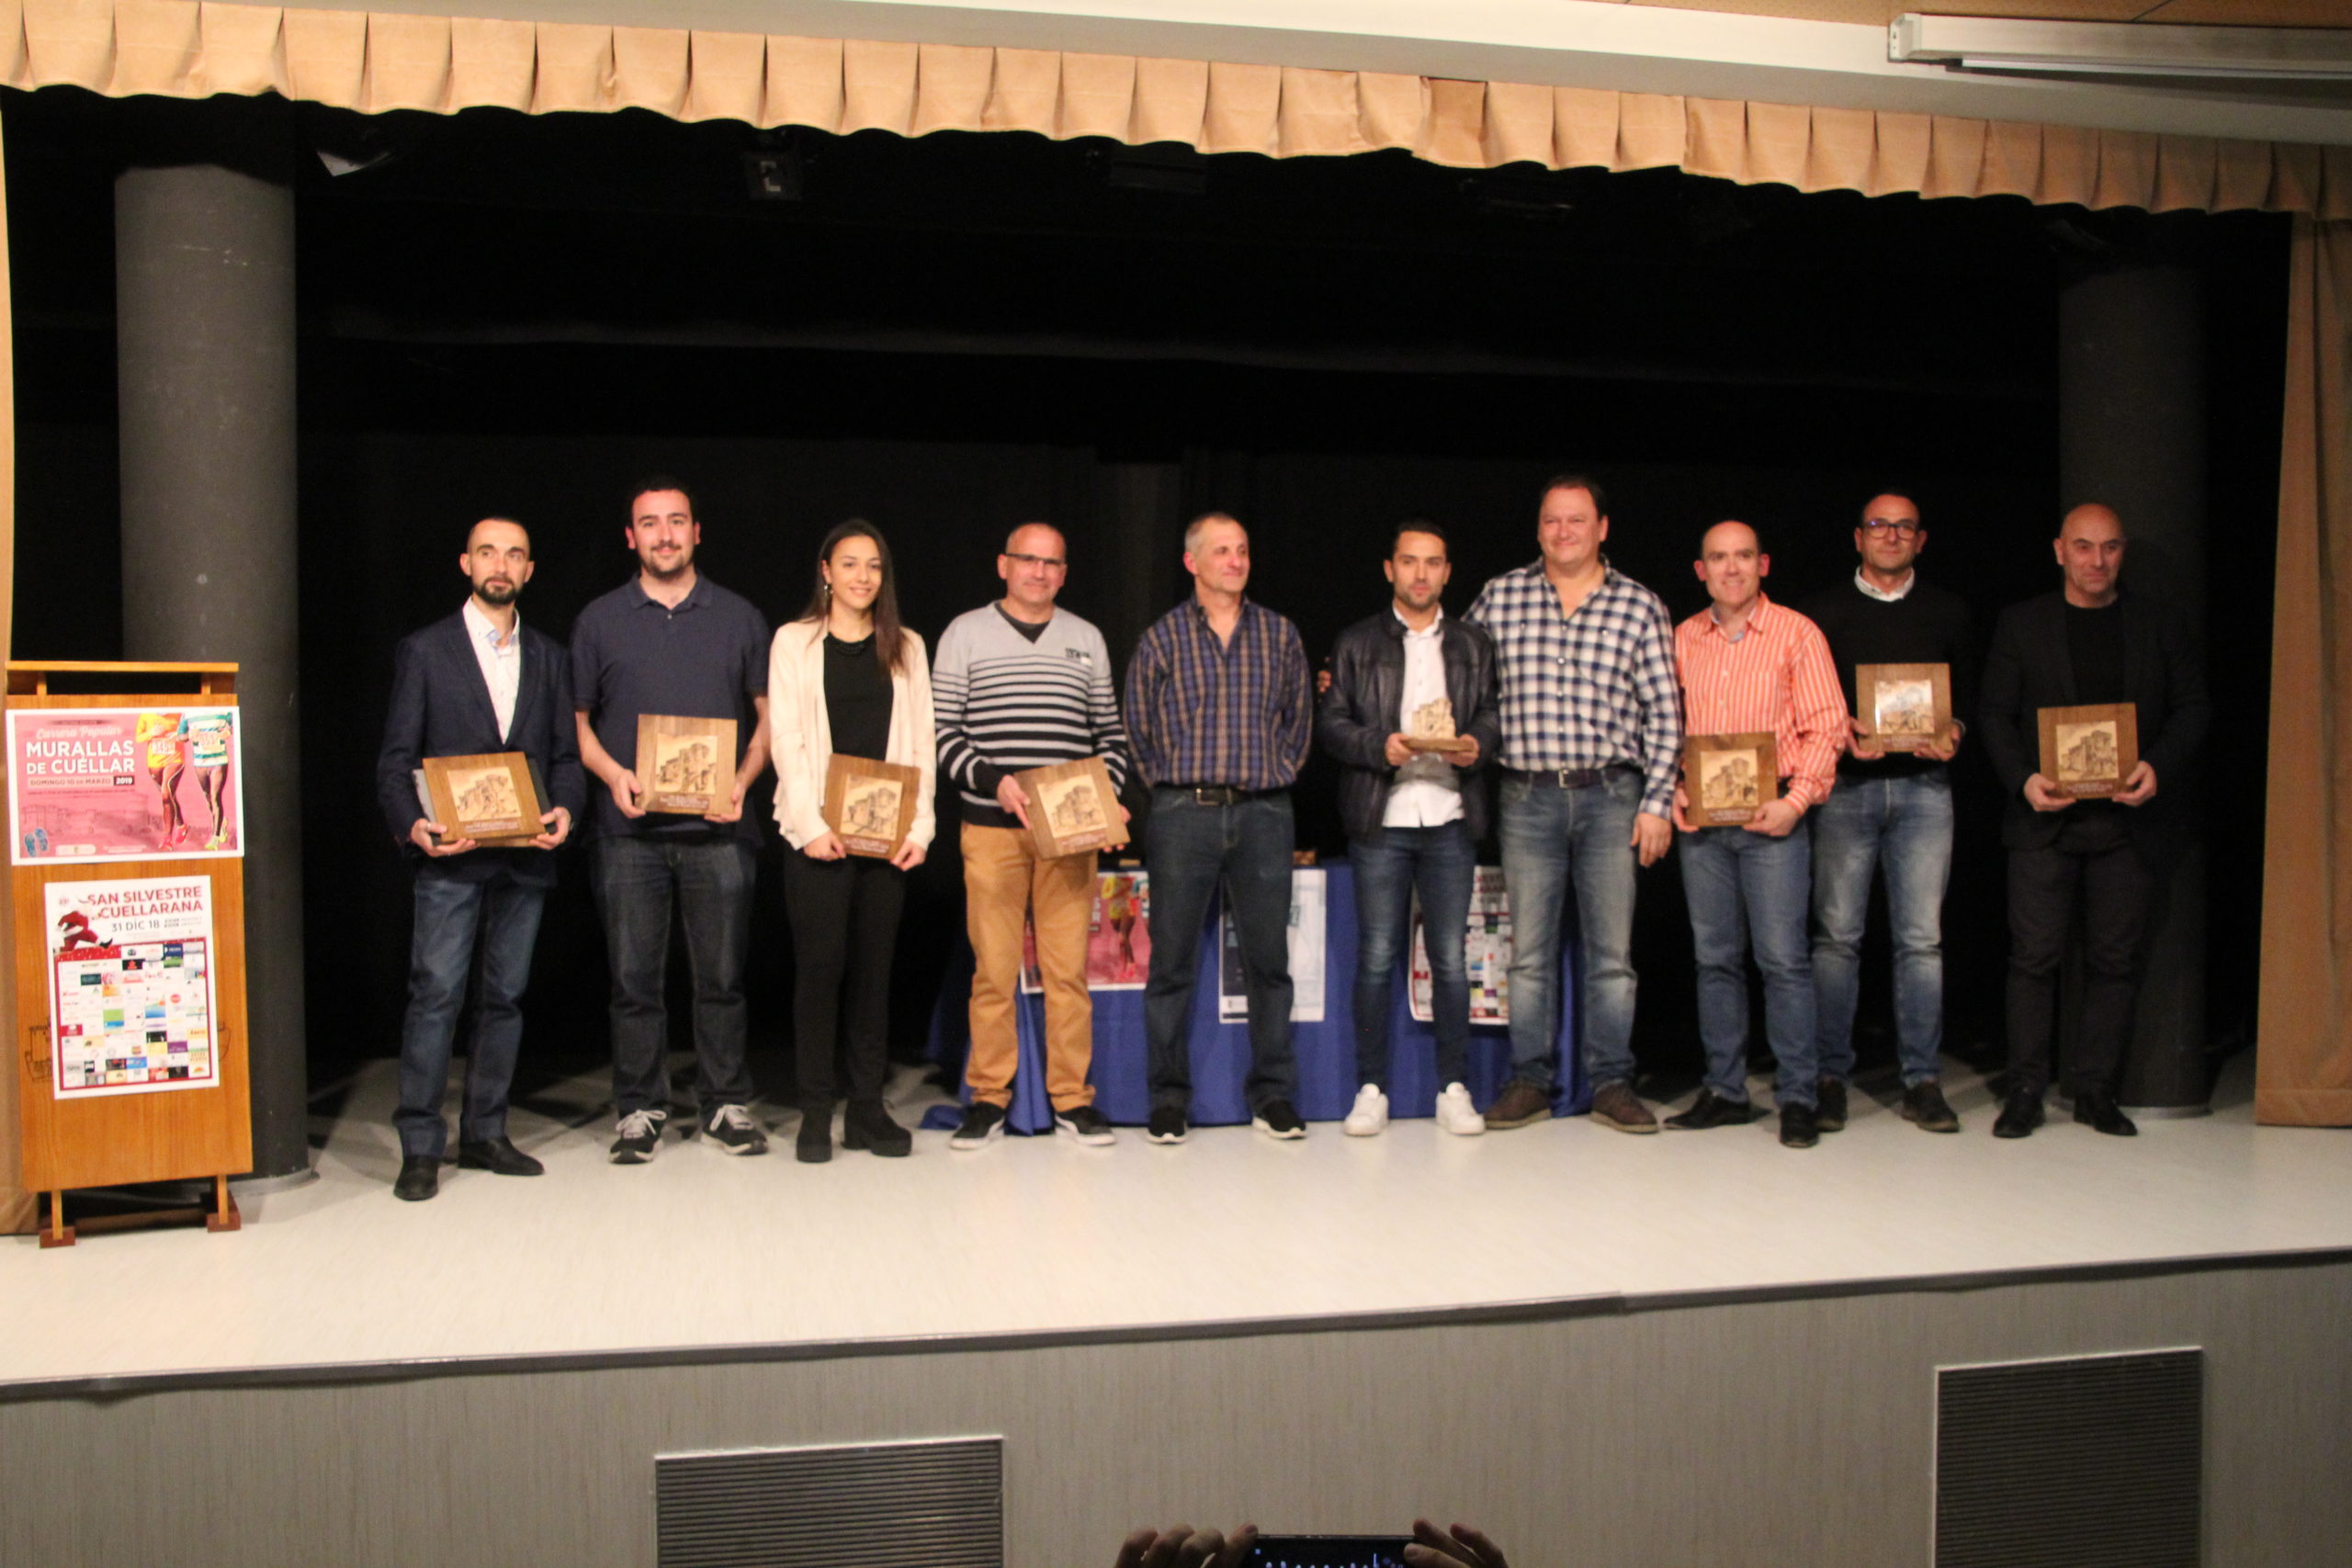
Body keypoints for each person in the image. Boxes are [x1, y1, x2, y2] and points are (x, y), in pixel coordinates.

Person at [1977, 502, 2209, 1139]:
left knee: (2115, 960)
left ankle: (2095, 1090)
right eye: (2083, 547)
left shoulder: (2158, 624)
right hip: (2043, 821)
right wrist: (2025, 779)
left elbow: (2193, 707)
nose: (2096, 560)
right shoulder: (2022, 624)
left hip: (2129, 823)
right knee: (2033, 960)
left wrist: (2157, 767)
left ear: (2122, 552)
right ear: (2060, 551)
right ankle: (2025, 1088)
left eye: (2108, 548)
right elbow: (1994, 714)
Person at [374, 517, 583, 1201]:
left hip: (524, 857)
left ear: (529, 570)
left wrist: (566, 810)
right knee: (435, 997)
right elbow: (396, 762)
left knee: (505, 999)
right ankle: (421, 1146)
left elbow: (564, 757)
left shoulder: (551, 656)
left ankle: (486, 1131)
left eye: (515, 553)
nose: (502, 563)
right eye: (489, 551)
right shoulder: (426, 650)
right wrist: (416, 827)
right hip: (451, 859)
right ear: (466, 562)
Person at [1464, 475, 1682, 1134]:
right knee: (1528, 954)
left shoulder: (1640, 606)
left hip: (1612, 797)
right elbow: (1449, 669)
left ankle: (1612, 1082)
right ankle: (1531, 1079)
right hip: (1527, 797)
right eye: (1552, 521)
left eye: (1577, 520)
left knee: (1612, 955)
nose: (1564, 532)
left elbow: (1665, 715)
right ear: (1539, 529)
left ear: (1602, 528)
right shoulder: (1501, 596)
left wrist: (1657, 803)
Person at [573, 479, 773, 1164]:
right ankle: (639, 1107)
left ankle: (724, 1102)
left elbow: (769, 718)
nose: (664, 534)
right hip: (628, 833)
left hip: (720, 831)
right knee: (634, 981)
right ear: (631, 537)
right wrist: (613, 774)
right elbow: (578, 726)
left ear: (696, 532)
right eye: (649, 524)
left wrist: (742, 783)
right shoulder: (599, 619)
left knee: (721, 979)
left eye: (676, 522)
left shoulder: (740, 616)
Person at [933, 522, 1129, 1150]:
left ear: (1064, 573)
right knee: (992, 971)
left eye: (1052, 563)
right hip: (991, 829)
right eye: (1028, 560)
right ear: (1003, 564)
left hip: (1070, 835)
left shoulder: (1087, 639)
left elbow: (1112, 738)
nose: (1039, 572)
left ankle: (1073, 1098)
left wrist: (1109, 799)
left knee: (1068, 972)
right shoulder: (964, 633)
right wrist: (996, 781)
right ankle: (989, 1097)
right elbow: (941, 734)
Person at [1124, 511, 1313, 1144]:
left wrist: (1276, 773)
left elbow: (1298, 721)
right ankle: (1169, 1099)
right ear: (1192, 562)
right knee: (1171, 965)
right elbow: (1138, 730)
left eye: (1242, 549)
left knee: (1269, 964)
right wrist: (1170, 790)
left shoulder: (1280, 634)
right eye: (1222, 551)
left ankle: (1273, 1094)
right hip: (1184, 814)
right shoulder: (1161, 639)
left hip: (1263, 812)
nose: (1234, 560)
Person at [1795, 492, 1975, 1134]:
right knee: (1836, 939)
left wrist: (1953, 727)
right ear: (1858, 536)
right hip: (1845, 790)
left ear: (1920, 540)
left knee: (1920, 941)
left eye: (1904, 527)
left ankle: (1922, 1080)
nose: (1891, 535)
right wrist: (1833, 725)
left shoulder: (1950, 610)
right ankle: (1828, 1077)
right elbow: (1803, 701)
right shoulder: (1821, 613)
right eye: (1879, 525)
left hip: (1926, 790)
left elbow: (1968, 699)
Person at [1316, 519, 1500, 1136]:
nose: (1421, 573)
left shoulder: (1474, 643)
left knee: (1450, 959)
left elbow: (1494, 714)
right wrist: (1378, 746)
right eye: (1410, 561)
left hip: (1449, 815)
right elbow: (1331, 723)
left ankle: (1454, 1087)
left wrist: (1478, 742)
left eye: (1434, 562)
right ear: (1390, 568)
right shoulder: (1356, 641)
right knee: (1375, 958)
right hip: (1383, 817)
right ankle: (1371, 1088)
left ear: (1448, 572)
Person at [1669, 520, 1848, 1148]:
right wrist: (1676, 788)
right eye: (1717, 557)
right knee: (1715, 961)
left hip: (1773, 821)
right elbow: (1663, 725)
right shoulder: (1683, 638)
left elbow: (1828, 726)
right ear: (1701, 570)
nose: (1731, 568)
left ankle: (1799, 1096)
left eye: (1743, 556)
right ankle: (1725, 1090)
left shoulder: (1798, 633)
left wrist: (1796, 802)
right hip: (1703, 829)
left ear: (1763, 563)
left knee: (1783, 962)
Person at [770, 520, 936, 1162]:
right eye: (850, 564)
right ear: (826, 571)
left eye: (873, 566)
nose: (863, 576)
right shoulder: (794, 642)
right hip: (818, 836)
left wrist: (919, 828)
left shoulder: (907, 646)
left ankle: (867, 1108)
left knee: (874, 973)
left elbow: (922, 741)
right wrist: (812, 826)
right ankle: (817, 1109)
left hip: (886, 837)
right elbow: (787, 737)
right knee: (820, 971)